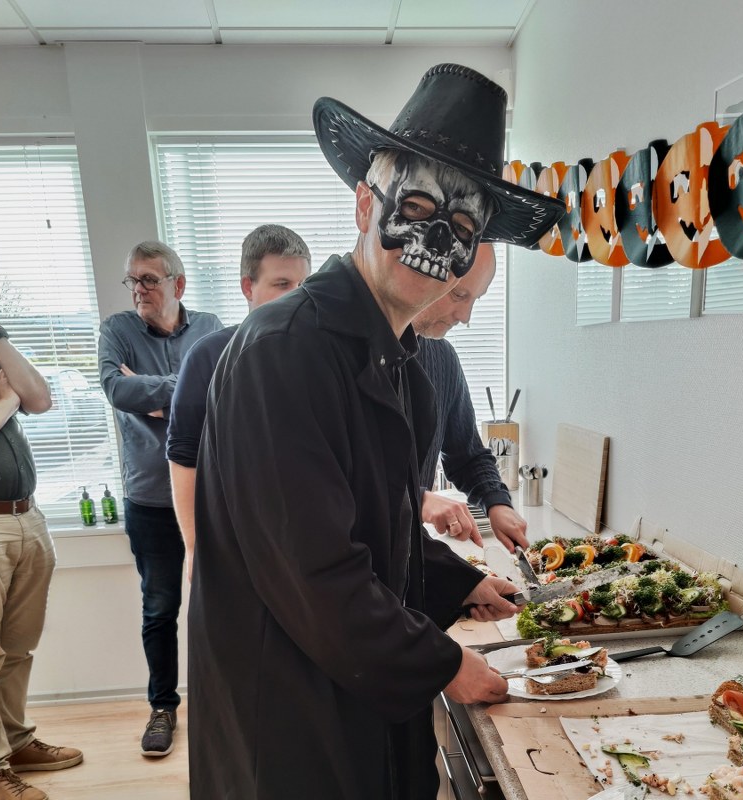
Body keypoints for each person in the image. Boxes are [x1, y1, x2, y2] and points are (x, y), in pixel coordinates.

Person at [188, 63, 564, 799]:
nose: (435, 239)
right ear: (365, 205)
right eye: (416, 206)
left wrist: (460, 581)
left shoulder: (404, 364)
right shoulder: (282, 351)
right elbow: (314, 570)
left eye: (462, 228)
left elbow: (383, 531)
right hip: (288, 707)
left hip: (354, 689)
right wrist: (444, 664)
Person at [0, 229, 83, 800]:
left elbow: (40, 397)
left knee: (16, 650)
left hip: (24, 519)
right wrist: (7, 400)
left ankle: (14, 742)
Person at [97, 241, 222, 759]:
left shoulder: (209, 327)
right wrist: (183, 392)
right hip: (149, 500)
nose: (138, 290)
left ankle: (223, 705)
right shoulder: (117, 331)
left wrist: (153, 395)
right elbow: (116, 390)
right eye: (133, 280)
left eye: (149, 279)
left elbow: (220, 393)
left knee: (220, 604)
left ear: (178, 283)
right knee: (159, 608)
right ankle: (163, 708)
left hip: (208, 496)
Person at [166, 224, 311, 581]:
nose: (298, 296)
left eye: (304, 284)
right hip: (234, 546)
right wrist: (193, 547)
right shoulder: (209, 356)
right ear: (248, 287)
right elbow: (183, 454)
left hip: (305, 542)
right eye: (282, 284)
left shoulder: (319, 356)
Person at [414, 242, 529, 553]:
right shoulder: (350, 355)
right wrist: (419, 499)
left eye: (475, 299)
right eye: (458, 295)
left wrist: (496, 502)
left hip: (407, 552)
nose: (465, 316)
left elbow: (466, 455)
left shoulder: (442, 358)